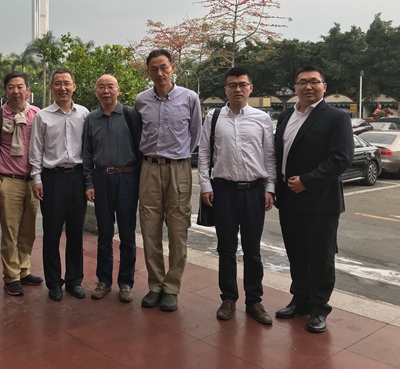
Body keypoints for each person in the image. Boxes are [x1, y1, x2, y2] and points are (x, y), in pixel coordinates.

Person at [274, 65, 354, 333]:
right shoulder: (286, 116)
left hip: (320, 201)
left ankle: (319, 308)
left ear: (324, 87)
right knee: (296, 253)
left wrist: (307, 181)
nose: (308, 86)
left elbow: (341, 158)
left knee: (321, 257)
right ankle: (300, 300)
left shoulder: (336, 117)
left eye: (314, 81)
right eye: (302, 82)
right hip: (289, 199)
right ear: (294, 87)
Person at [198, 67, 276, 324]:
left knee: (252, 250)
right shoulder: (214, 117)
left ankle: (254, 300)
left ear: (251, 88)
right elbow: (204, 153)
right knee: (226, 248)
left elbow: (269, 156)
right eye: (232, 85)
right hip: (224, 191)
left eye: (243, 84)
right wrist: (206, 186)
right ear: (226, 89)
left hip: (254, 191)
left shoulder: (262, 118)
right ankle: (228, 298)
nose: (238, 89)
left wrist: (270, 188)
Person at [135, 49, 202, 312]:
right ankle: (155, 285)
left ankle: (172, 287)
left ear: (172, 67)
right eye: (154, 69)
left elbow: (195, 133)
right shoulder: (141, 100)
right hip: (149, 169)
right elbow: (139, 133)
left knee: (178, 228)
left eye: (164, 67)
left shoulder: (190, 98)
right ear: (148, 72)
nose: (159, 73)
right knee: (149, 228)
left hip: (178, 169)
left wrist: (179, 155)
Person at [29, 68, 89, 301]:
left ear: (74, 86)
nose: (62, 88)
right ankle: (54, 282)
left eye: (66, 83)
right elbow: (36, 149)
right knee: (52, 232)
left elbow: (89, 149)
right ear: (51, 87)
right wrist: (37, 179)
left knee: (76, 232)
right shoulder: (42, 116)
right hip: (52, 178)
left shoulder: (84, 114)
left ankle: (74, 281)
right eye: (58, 83)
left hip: (78, 177)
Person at [83, 75, 142, 303]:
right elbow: (87, 154)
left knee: (127, 234)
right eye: (101, 87)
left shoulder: (131, 115)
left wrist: (139, 181)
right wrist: (89, 183)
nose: (106, 91)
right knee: (104, 234)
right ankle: (104, 280)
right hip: (101, 179)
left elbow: (141, 149)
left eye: (110, 87)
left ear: (118, 90)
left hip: (127, 179)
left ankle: (126, 282)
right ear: (96, 91)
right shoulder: (91, 119)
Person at [0, 71, 43, 296]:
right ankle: (11, 276)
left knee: (28, 230)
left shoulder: (37, 114)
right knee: (10, 231)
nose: (16, 91)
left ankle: (24, 269)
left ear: (27, 90)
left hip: (32, 181)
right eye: (11, 87)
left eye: (20, 87)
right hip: (8, 180)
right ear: (5, 90)